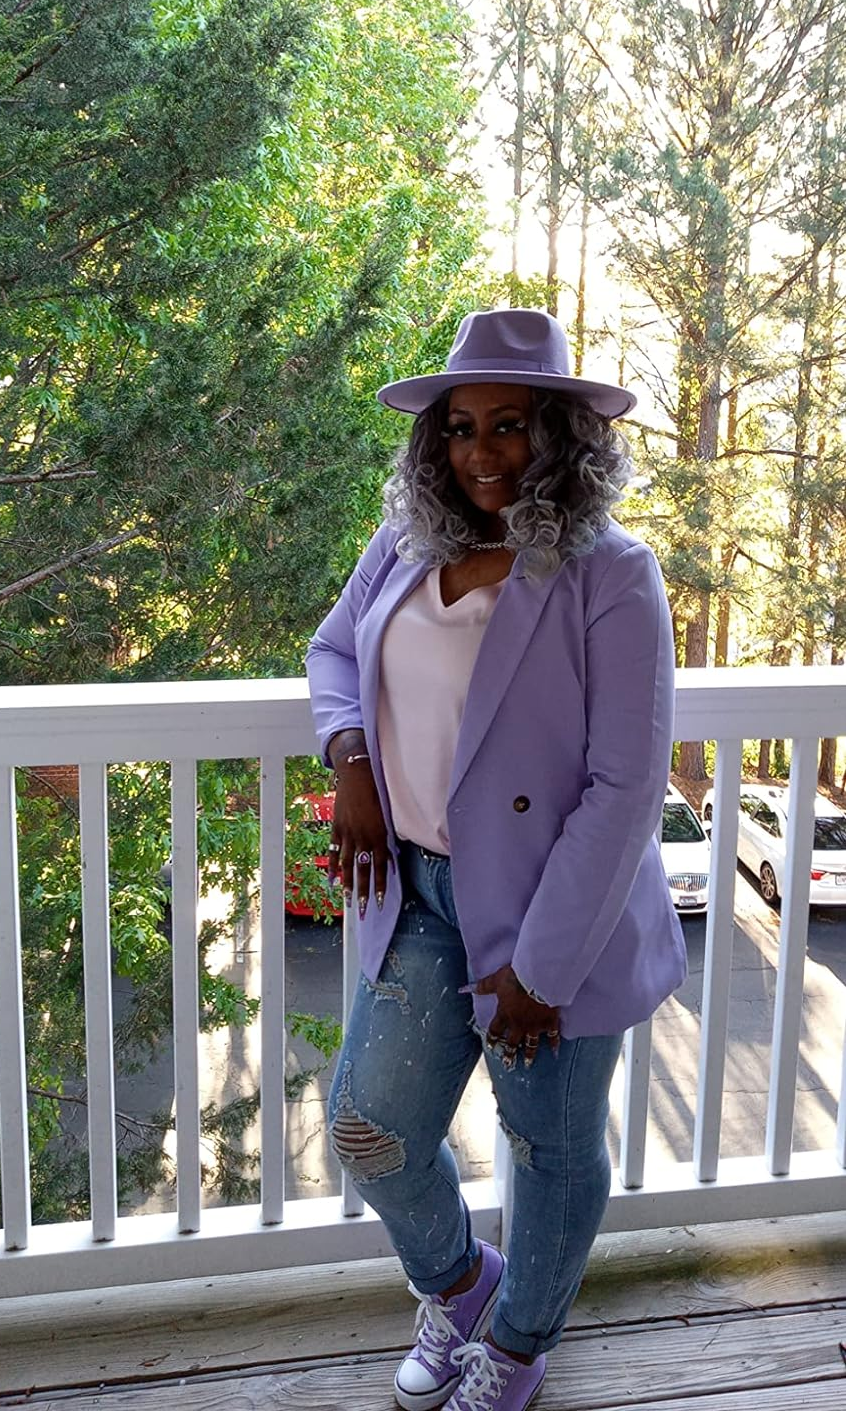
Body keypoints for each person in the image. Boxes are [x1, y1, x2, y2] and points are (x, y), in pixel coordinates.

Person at [305, 308, 687, 1411]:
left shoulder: (612, 574)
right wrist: (352, 764)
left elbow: (625, 789)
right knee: (368, 1125)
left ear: (563, 433)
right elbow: (334, 652)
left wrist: (542, 969)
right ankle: (464, 1283)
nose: (479, 450)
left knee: (550, 1150)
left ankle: (518, 1345)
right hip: (420, 891)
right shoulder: (405, 546)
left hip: (556, 914)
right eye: (460, 426)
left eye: (510, 424)